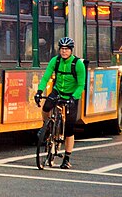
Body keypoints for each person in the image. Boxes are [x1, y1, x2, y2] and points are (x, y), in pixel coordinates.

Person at [34, 37, 86, 169]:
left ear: (71, 50)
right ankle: (45, 127)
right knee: (46, 106)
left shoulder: (77, 64)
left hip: (72, 94)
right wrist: (39, 91)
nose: (63, 52)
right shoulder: (55, 61)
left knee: (69, 128)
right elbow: (46, 76)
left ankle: (67, 158)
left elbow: (81, 85)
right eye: (62, 49)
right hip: (57, 91)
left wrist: (74, 98)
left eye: (66, 49)